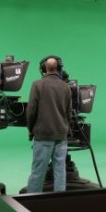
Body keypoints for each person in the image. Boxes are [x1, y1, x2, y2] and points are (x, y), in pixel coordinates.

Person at [26, 57, 72, 193]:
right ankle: (60, 201)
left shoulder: (37, 85)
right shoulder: (66, 87)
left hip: (43, 134)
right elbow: (69, 113)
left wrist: (31, 129)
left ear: (44, 68)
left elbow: (31, 110)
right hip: (61, 134)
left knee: (38, 171)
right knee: (60, 171)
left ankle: (33, 200)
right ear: (59, 68)